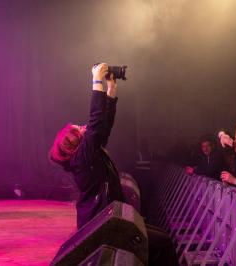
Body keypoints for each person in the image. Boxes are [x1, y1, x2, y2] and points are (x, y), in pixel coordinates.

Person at [50, 63, 178, 266]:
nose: (84, 127)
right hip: (101, 225)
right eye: (79, 129)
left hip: (110, 219)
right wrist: (96, 82)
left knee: (162, 239)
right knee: (162, 244)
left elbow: (104, 126)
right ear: (76, 142)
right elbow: (96, 122)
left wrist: (111, 90)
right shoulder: (83, 159)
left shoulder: (89, 155)